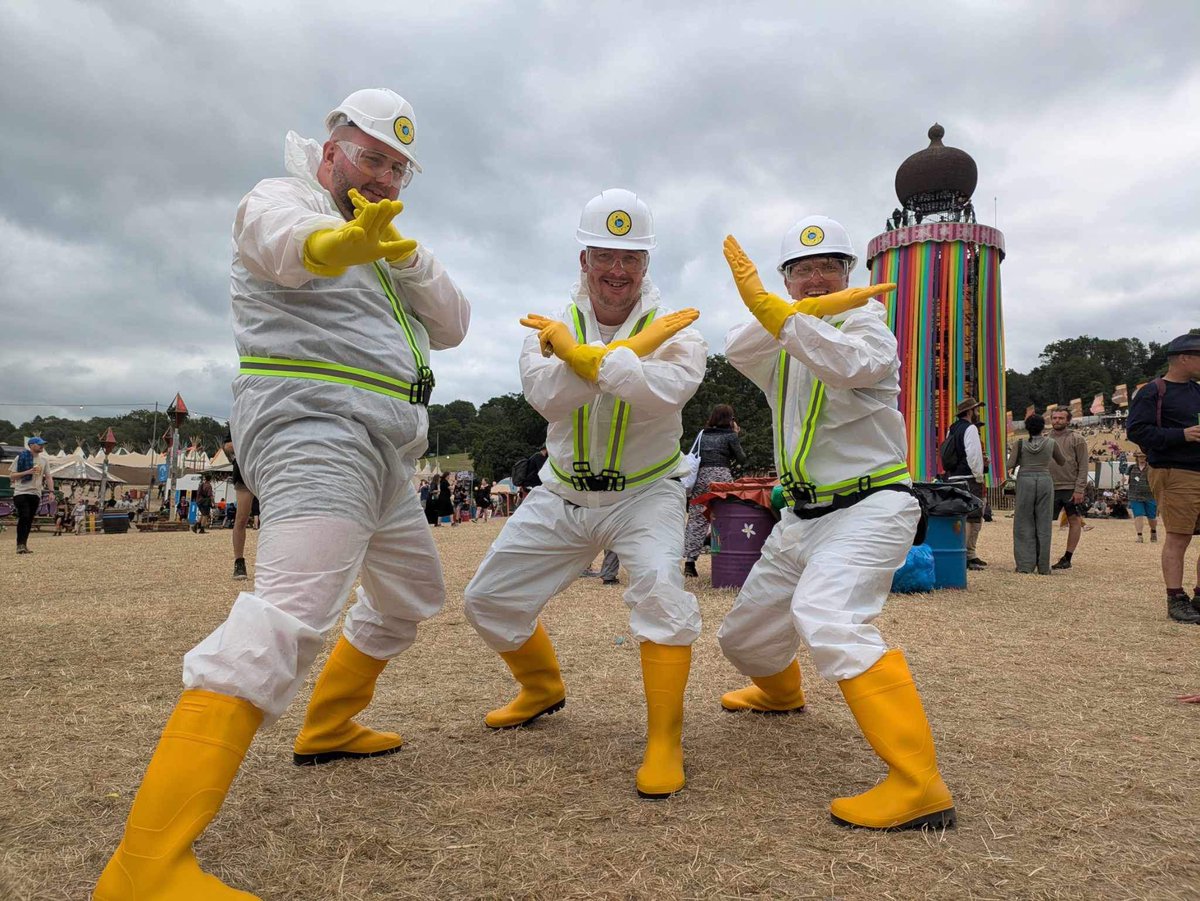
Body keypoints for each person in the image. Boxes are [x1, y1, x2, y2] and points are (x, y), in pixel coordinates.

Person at [96, 88, 470, 900]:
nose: (384, 177)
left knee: (411, 593)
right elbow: (283, 243)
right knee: (291, 611)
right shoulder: (281, 197)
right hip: (314, 425)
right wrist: (342, 241)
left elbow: (454, 324)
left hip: (384, 446)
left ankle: (328, 724)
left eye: (399, 168)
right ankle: (144, 867)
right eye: (371, 157)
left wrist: (401, 253)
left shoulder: (387, 237)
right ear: (331, 151)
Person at [463, 188, 706, 799]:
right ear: (584, 260)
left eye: (631, 258)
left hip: (647, 493)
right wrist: (615, 357)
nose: (617, 270)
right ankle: (541, 689)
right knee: (487, 600)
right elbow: (549, 398)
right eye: (605, 255)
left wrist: (585, 358)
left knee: (662, 595)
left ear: (646, 264)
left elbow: (661, 396)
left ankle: (664, 740)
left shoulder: (679, 330)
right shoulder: (547, 326)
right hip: (563, 493)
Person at [716, 215, 955, 831]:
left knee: (828, 616)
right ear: (786, 280)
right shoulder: (784, 333)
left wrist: (796, 316)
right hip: (800, 516)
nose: (817, 278)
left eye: (830, 267)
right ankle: (780, 694)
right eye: (802, 270)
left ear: (851, 273)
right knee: (742, 638)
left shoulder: (869, 325)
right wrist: (785, 313)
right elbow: (740, 349)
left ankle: (920, 785)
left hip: (869, 506)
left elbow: (851, 366)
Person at [1127, 333, 1200, 624]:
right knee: (1180, 536)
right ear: (1184, 358)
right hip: (1175, 471)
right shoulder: (1153, 392)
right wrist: (1181, 435)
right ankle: (1176, 598)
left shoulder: (1197, 391)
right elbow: (1137, 431)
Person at [682, 404, 747, 577]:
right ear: (730, 419)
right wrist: (736, 435)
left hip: (702, 478)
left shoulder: (702, 434)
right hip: (722, 479)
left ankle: (690, 563)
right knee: (727, 517)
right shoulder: (730, 435)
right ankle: (726, 556)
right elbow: (742, 458)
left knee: (697, 518)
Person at [1007, 413, 1066, 574]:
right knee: (1044, 522)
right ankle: (1043, 566)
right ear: (1042, 427)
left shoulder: (1020, 443)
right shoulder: (1051, 443)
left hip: (1025, 480)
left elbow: (1010, 464)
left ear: (1027, 428)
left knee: (1023, 522)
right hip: (1045, 480)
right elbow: (1062, 461)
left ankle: (1025, 565)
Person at [942, 397, 988, 570]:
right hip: (968, 477)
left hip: (953, 476)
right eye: (976, 410)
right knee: (972, 517)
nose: (977, 413)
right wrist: (979, 475)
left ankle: (966, 553)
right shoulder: (971, 428)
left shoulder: (952, 428)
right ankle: (966, 555)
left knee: (960, 516)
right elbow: (973, 455)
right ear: (969, 411)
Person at [1048, 408, 1090, 570]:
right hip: (1049, 486)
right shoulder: (1046, 439)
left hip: (1070, 487)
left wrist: (1079, 489)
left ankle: (1067, 557)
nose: (1057, 420)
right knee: (1044, 521)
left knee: (1074, 521)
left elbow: (1083, 465)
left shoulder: (1077, 439)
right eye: (1054, 418)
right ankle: (1042, 553)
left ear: (1068, 420)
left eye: (1061, 418)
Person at [9, 437, 53, 554]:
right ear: (31, 445)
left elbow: (48, 477)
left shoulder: (44, 460)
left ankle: (24, 544)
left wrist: (51, 491)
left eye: (43, 444)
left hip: (36, 493)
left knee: (29, 519)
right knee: (24, 516)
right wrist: (28, 472)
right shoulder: (20, 457)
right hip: (21, 492)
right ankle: (20, 545)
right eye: (39, 444)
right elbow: (12, 476)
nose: (42, 446)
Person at [1122, 451, 1158, 543]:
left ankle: (1153, 531)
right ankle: (1139, 536)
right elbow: (1125, 480)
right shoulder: (1131, 468)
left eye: (1144, 456)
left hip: (1150, 496)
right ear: (1137, 458)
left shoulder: (1152, 468)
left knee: (1152, 517)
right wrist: (1124, 481)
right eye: (1140, 457)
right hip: (1135, 496)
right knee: (1138, 515)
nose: (1142, 458)